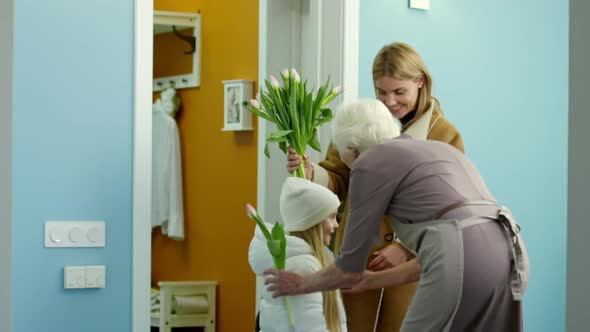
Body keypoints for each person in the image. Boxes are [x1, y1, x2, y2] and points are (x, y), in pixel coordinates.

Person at [269, 99, 529, 332]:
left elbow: (348, 269)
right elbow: (440, 254)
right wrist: (373, 281)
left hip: (460, 254)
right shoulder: (438, 150)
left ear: (353, 151)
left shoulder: (368, 163)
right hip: (509, 251)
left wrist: (302, 284)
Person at [287, 42, 464, 331]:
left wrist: (404, 248)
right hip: (359, 255)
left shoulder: (444, 135)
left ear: (420, 82)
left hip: (411, 265)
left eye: (399, 92)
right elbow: (338, 178)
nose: (389, 102)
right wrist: (310, 172)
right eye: (381, 92)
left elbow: (449, 207)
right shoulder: (359, 121)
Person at [248, 177, 347, 332]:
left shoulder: (301, 261)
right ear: (313, 223)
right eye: (331, 216)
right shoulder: (303, 266)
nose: (336, 224)